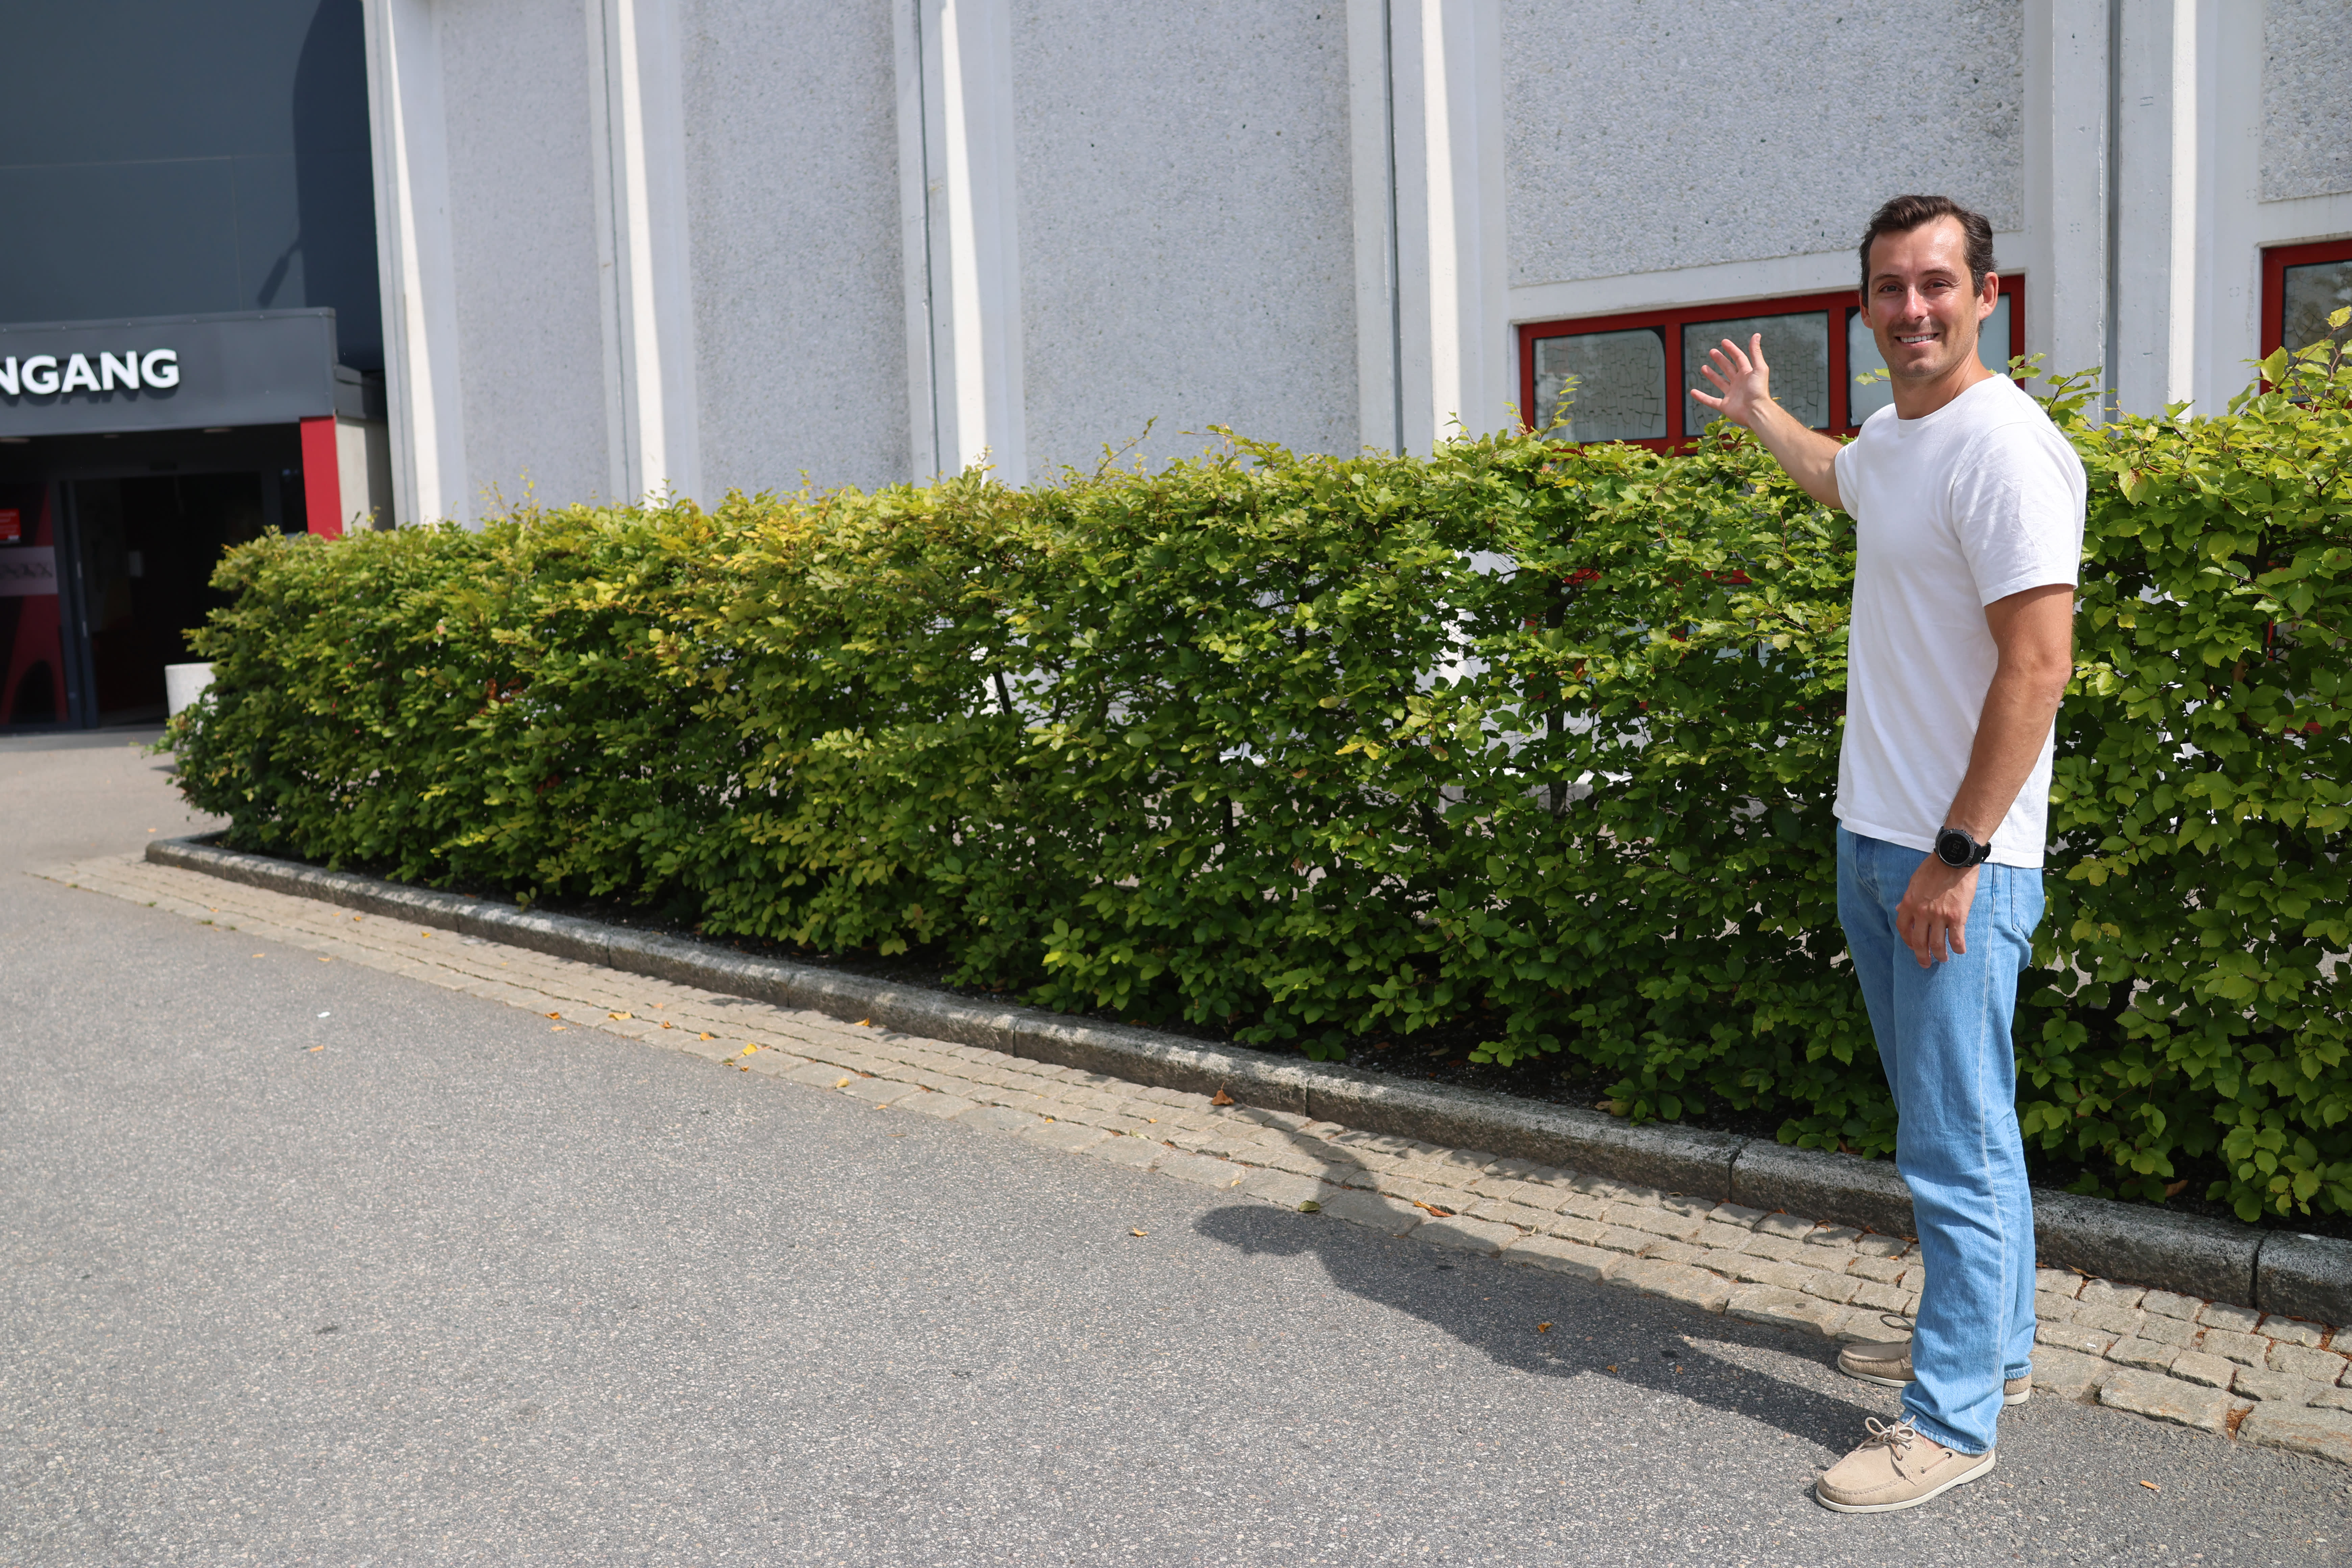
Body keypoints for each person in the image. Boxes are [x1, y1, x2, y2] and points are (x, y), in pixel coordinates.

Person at [1689, 192, 2086, 1513]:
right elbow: (1838, 477)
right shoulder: (1897, 436)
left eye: (1937, 283)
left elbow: (2039, 665)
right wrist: (1761, 415)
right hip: (1879, 838)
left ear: (1987, 296)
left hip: (1955, 860)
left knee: (1952, 1144)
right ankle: (1996, 1349)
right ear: (1866, 306)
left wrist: (1959, 852)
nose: (1913, 308)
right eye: (1889, 288)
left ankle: (1951, 1420)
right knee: (1961, 1121)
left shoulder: (2005, 449)